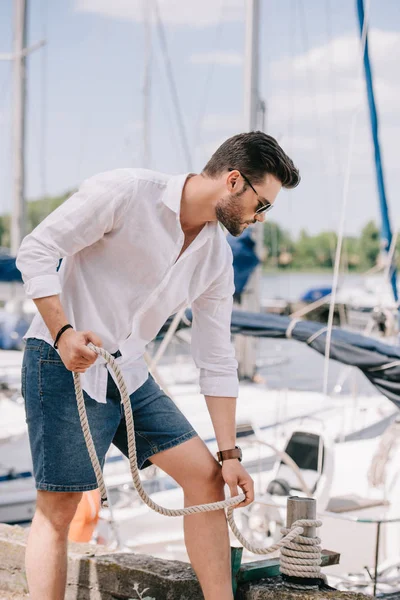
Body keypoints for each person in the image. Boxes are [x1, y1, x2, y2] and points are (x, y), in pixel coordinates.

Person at [17, 131, 300, 600]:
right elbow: (37, 249)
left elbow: (215, 357)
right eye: (262, 204)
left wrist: (230, 456)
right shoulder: (127, 192)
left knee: (209, 480)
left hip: (128, 373)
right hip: (58, 358)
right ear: (234, 181)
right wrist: (64, 332)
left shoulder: (216, 259)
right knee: (58, 507)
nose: (260, 218)